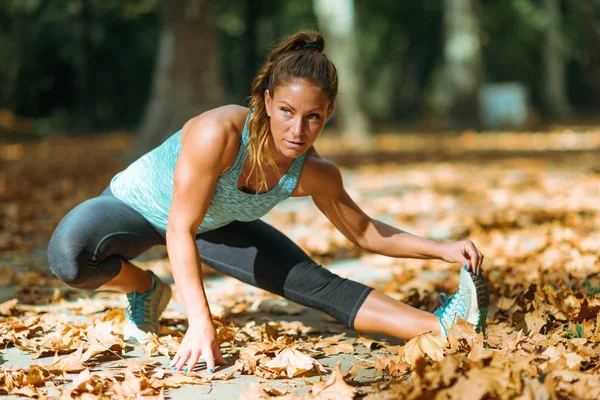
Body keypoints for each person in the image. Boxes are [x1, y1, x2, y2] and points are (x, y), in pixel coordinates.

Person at [47, 31, 489, 375]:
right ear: (266, 102)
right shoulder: (217, 134)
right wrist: (202, 323)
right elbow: (178, 228)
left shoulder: (316, 173)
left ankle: (444, 325)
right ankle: (144, 289)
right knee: (70, 256)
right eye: (286, 112)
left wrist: (443, 248)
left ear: (328, 114)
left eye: (313, 117)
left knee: (316, 284)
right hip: (139, 205)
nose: (298, 130)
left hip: (213, 226)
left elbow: (366, 232)